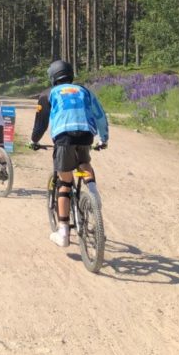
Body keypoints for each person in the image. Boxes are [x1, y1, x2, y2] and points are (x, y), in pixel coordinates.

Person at [29, 59, 109, 248]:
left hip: (64, 138)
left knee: (65, 182)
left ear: (53, 78)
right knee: (84, 163)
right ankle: (93, 192)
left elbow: (41, 123)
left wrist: (34, 140)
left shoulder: (48, 94)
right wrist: (103, 139)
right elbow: (99, 114)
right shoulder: (85, 91)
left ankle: (63, 231)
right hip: (86, 136)